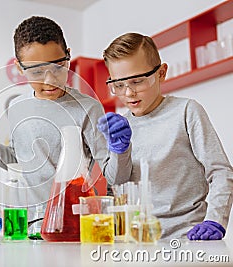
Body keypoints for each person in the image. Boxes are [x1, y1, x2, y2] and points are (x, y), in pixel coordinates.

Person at [0, 16, 109, 212]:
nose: (50, 80)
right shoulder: (17, 108)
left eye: (58, 68)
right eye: (37, 72)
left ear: (68, 55)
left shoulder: (88, 108)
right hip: (26, 222)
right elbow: (18, 162)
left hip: (72, 220)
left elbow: (108, 171)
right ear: (19, 67)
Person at [97, 32, 233, 240]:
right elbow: (117, 184)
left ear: (161, 73)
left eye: (136, 81)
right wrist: (120, 151)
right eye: (119, 85)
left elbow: (220, 171)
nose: (128, 93)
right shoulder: (122, 126)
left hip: (188, 237)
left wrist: (215, 219)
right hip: (139, 239)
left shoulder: (186, 111)